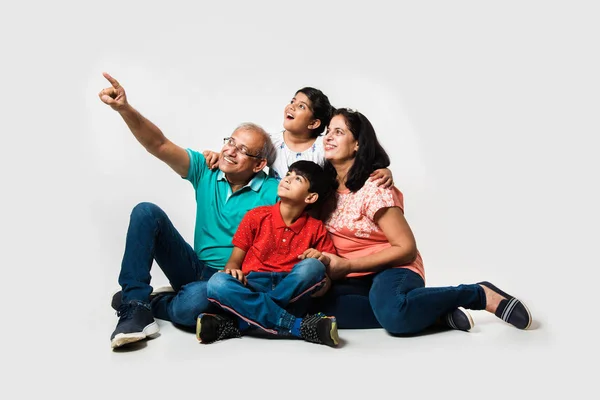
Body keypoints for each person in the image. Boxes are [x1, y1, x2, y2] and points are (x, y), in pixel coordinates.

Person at [311, 108, 532, 335]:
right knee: (310, 307)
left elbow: (406, 249)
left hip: (393, 268)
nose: (328, 136)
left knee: (394, 316)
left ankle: (479, 294)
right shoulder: (323, 190)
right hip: (354, 277)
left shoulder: (374, 188)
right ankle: (432, 313)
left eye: (338, 132)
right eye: (328, 131)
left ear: (357, 144)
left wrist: (347, 265)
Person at [98, 72, 279, 349]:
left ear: (259, 165)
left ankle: (160, 301)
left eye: (243, 149)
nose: (230, 151)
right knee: (146, 211)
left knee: (192, 304)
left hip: (232, 280)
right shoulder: (206, 169)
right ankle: (135, 305)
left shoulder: (273, 190)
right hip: (194, 266)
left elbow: (311, 189)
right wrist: (124, 108)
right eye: (230, 141)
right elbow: (158, 144)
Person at [197, 160, 340, 347]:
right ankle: (297, 326)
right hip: (252, 285)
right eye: (288, 174)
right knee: (217, 282)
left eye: (297, 179)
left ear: (310, 197)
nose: (287, 179)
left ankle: (240, 323)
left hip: (292, 292)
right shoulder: (255, 216)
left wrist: (320, 259)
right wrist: (233, 271)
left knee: (313, 266)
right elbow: (233, 262)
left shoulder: (316, 228)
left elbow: (324, 283)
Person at [203, 87, 394, 187]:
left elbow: (351, 163)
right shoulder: (271, 142)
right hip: (278, 210)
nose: (292, 106)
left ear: (313, 124)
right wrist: (217, 156)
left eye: (302, 106)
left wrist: (382, 170)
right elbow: (244, 155)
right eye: (293, 101)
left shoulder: (324, 146)